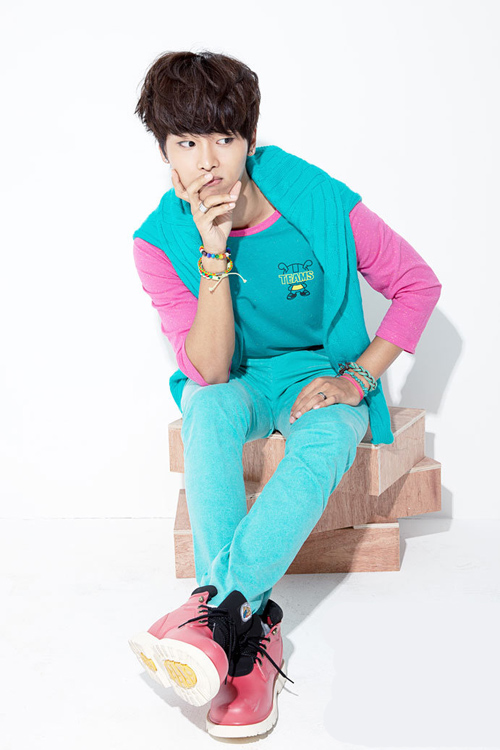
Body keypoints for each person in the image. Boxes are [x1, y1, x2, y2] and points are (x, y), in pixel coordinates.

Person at [128, 50, 442, 738]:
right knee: (206, 407)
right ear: (165, 154)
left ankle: (216, 620)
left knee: (330, 434)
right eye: (186, 143)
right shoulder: (158, 242)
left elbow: (417, 285)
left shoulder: (315, 199)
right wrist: (213, 253)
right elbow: (211, 371)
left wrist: (358, 378)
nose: (207, 161)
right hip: (239, 381)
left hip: (316, 373)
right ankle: (245, 625)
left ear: (249, 139)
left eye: (224, 138)